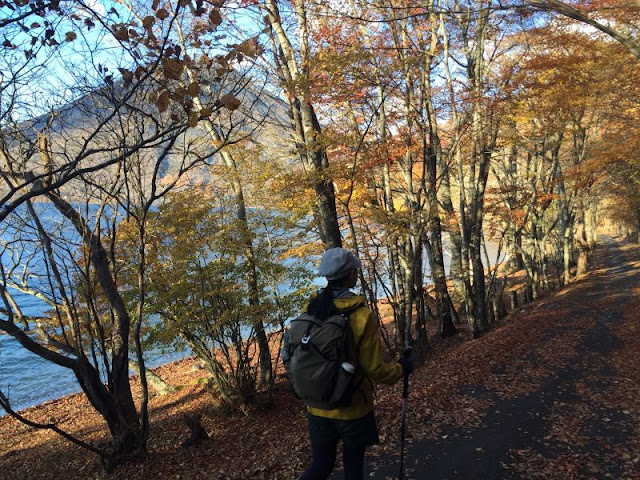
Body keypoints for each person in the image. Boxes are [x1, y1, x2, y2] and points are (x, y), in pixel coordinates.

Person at [298, 247, 413, 480]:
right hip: (352, 407)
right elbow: (374, 369)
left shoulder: (310, 307)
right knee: (353, 469)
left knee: (320, 466)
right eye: (355, 271)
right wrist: (401, 368)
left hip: (317, 406)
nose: (357, 274)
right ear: (350, 275)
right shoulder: (361, 315)